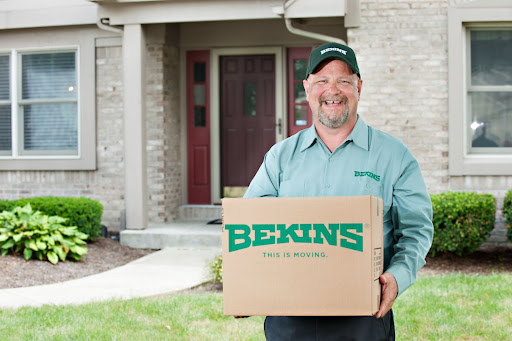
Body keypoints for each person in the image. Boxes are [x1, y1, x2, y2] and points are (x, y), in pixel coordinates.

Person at [242, 42, 434, 340]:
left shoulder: (394, 156)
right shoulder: (280, 157)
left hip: (363, 317)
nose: (332, 90)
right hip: (290, 318)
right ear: (307, 88)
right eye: (322, 81)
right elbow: (250, 226)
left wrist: (397, 277)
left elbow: (416, 230)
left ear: (359, 86)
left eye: (343, 81)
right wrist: (248, 284)